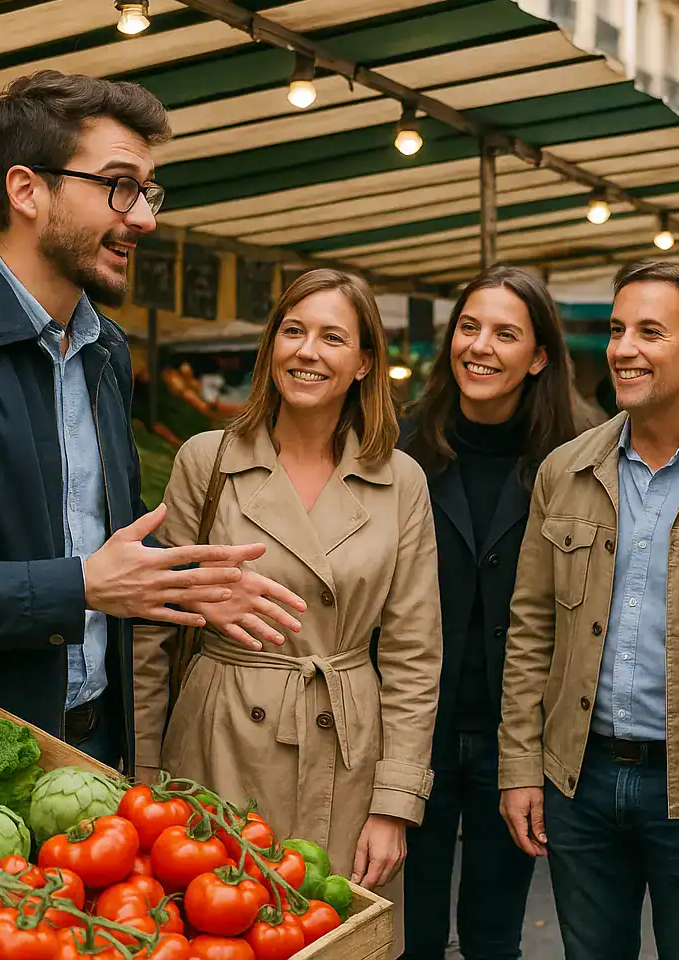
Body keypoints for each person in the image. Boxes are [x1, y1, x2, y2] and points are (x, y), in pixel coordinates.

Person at [0, 71, 289, 772]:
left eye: (148, 191)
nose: (145, 217)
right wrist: (78, 587)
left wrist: (190, 576)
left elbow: (107, 534)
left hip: (99, 744)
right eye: (119, 185)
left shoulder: (106, 350)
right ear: (27, 191)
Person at [132, 268, 441, 952]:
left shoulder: (401, 479)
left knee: (336, 933)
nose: (308, 352)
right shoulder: (206, 461)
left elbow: (415, 654)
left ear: (364, 363)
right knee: (215, 929)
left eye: (334, 338)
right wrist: (145, 781)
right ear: (270, 347)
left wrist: (395, 804)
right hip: (219, 738)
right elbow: (156, 633)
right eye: (293, 332)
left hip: (348, 745)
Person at [499, 260, 679, 960]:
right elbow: (531, 629)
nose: (623, 348)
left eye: (649, 332)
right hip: (582, 778)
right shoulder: (565, 471)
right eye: (616, 329)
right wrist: (520, 766)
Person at [398, 266, 587, 960]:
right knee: (405, 932)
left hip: (518, 739)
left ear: (537, 357)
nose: (480, 346)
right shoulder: (399, 448)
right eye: (469, 327)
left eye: (506, 333)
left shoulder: (575, 460)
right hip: (412, 731)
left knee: (492, 934)